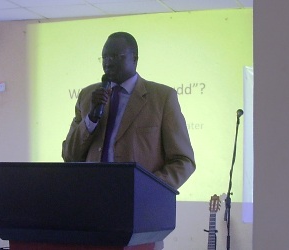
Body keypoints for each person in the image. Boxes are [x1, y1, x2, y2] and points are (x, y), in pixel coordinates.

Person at [62, 32, 195, 189]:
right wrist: (91, 118)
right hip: (93, 197)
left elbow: (183, 160)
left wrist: (149, 187)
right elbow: (70, 156)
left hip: (139, 201)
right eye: (104, 57)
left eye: (116, 56)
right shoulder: (87, 96)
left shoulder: (162, 97)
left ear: (135, 58)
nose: (108, 62)